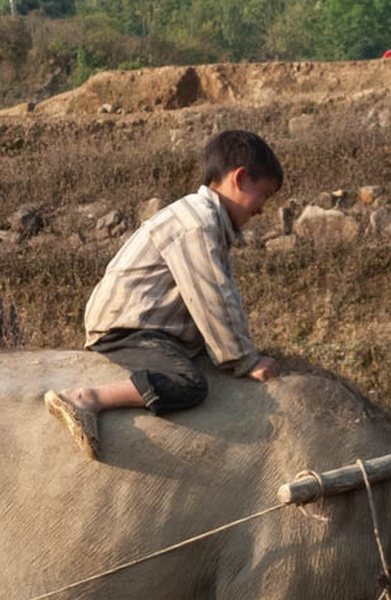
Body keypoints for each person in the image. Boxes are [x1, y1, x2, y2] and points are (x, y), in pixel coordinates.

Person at [44, 129, 282, 461]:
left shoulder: (207, 220)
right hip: (129, 327)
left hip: (150, 326)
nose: (261, 210)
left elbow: (222, 296)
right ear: (240, 179)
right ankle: (86, 399)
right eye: (265, 196)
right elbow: (213, 297)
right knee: (188, 383)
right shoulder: (197, 224)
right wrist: (245, 360)